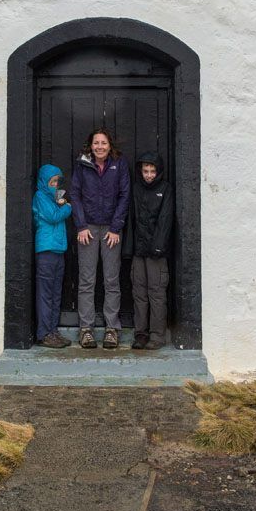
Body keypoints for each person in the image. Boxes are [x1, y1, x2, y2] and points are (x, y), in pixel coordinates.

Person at [70, 129, 130, 349]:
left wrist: (116, 227)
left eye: (103, 143)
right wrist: (81, 225)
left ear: (109, 145)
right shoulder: (82, 164)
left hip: (111, 231)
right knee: (87, 280)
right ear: (91, 146)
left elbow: (125, 195)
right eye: (96, 143)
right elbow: (74, 194)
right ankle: (86, 329)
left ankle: (111, 329)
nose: (100, 147)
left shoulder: (119, 163)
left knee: (111, 281)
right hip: (88, 229)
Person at [123, 151, 174, 350]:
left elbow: (165, 219)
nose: (149, 175)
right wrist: (130, 248)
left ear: (158, 171)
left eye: (153, 171)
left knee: (157, 293)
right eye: (146, 170)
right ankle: (141, 333)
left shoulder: (165, 189)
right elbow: (131, 218)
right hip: (139, 251)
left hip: (156, 253)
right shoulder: (136, 189)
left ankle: (157, 335)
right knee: (139, 294)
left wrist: (158, 246)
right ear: (141, 171)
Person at [32, 164, 72, 348]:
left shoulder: (55, 198)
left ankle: (53, 331)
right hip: (46, 251)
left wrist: (60, 203)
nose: (55, 185)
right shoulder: (40, 197)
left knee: (55, 294)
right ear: (44, 182)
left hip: (57, 250)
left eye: (57, 181)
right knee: (45, 294)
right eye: (52, 181)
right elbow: (53, 217)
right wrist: (68, 207)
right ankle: (44, 333)